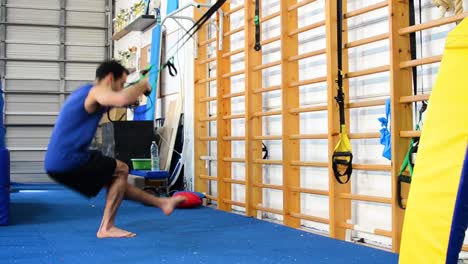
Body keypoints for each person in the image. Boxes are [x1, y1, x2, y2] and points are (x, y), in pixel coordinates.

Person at [44, 60, 186, 238]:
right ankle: (107, 227)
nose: (122, 88)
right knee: (121, 169)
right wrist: (142, 85)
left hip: (56, 163)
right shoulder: (94, 91)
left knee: (117, 183)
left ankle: (162, 203)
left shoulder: (88, 95)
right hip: (68, 158)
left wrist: (135, 84)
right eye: (121, 84)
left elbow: (125, 99)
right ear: (110, 79)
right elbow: (123, 98)